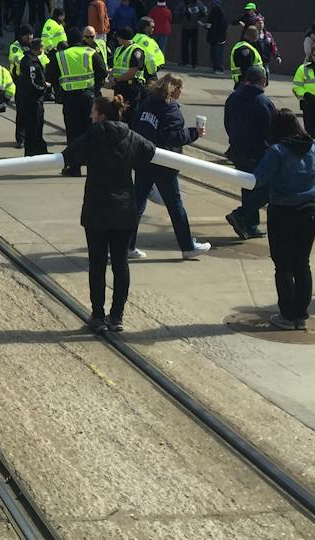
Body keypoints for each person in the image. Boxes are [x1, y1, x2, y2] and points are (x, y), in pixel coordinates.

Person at [64, 95, 155, 334]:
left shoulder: (92, 136)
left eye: (93, 112)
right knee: (120, 263)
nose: (91, 115)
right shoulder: (130, 135)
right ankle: (117, 316)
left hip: (96, 207)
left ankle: (97, 314)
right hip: (124, 208)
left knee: (97, 264)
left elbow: (69, 155)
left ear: (101, 115)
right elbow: (150, 151)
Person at [254, 108, 315, 330]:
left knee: (283, 265)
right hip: (310, 211)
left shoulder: (277, 151)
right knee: (302, 264)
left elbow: (259, 178)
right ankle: (301, 314)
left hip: (283, 212)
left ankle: (287, 316)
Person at [131, 74, 210, 260]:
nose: (181, 92)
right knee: (175, 206)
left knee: (137, 203)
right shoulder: (171, 108)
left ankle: (127, 245)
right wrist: (195, 133)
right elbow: (173, 137)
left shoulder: (148, 102)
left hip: (144, 159)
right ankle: (188, 246)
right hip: (164, 163)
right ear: (173, 89)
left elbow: (135, 125)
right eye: (180, 88)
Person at [224, 66, 276, 239]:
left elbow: (227, 122)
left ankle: (249, 225)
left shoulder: (234, 96)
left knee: (248, 187)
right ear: (263, 80)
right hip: (258, 152)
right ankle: (242, 214)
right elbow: (271, 130)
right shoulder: (262, 102)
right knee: (268, 188)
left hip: (238, 149)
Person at [49, 27, 101, 148]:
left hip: (69, 97)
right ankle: (89, 158)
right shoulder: (90, 52)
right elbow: (102, 72)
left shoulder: (60, 55)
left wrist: (59, 88)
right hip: (88, 96)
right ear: (82, 38)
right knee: (89, 127)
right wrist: (95, 88)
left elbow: (50, 74)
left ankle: (74, 162)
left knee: (72, 130)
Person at [17, 38, 50, 156]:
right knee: (33, 126)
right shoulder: (30, 62)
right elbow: (32, 81)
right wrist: (43, 87)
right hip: (33, 100)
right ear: (39, 48)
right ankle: (32, 151)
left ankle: (39, 149)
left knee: (37, 125)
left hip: (33, 99)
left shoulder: (30, 59)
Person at [110, 28, 147, 111]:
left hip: (131, 87)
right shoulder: (118, 49)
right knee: (118, 111)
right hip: (119, 86)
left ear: (123, 38)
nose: (117, 38)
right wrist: (111, 76)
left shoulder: (136, 51)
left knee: (130, 114)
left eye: (118, 37)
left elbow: (132, 72)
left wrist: (116, 79)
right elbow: (116, 67)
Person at [178, 0, 205, 68]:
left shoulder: (198, 3)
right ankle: (184, 61)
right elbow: (177, 12)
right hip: (185, 27)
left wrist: (201, 15)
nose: (190, 0)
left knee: (194, 46)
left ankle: (194, 62)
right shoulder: (182, 4)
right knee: (184, 45)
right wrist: (183, 14)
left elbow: (205, 12)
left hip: (194, 28)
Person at [205, 0, 228, 74]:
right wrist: (206, 26)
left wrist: (210, 27)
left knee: (218, 53)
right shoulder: (213, 13)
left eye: (215, 4)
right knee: (214, 53)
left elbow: (223, 26)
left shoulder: (220, 14)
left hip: (219, 38)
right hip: (213, 37)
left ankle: (219, 68)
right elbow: (209, 23)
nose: (213, 6)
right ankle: (215, 68)